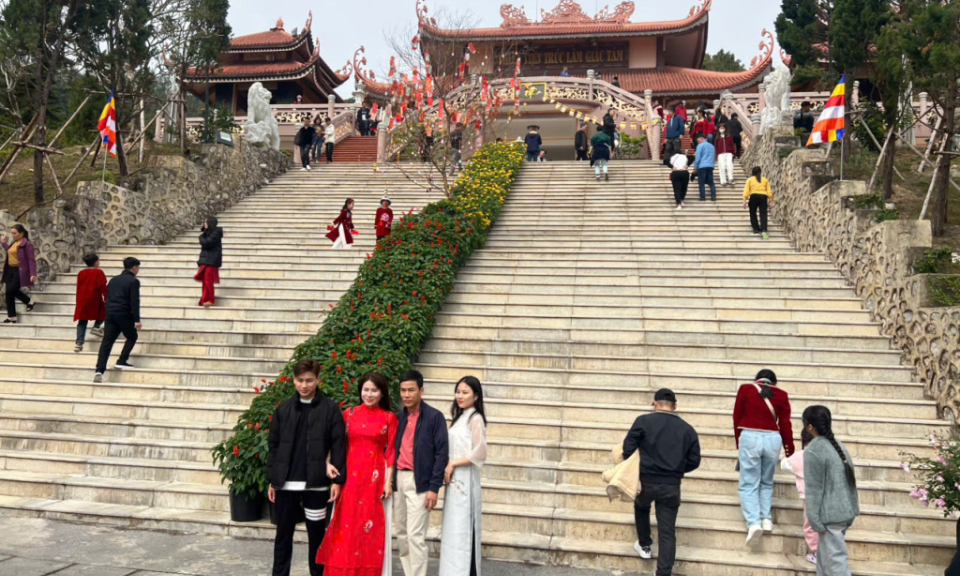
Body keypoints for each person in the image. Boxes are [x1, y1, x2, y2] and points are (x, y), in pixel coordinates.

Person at [268, 358, 347, 576]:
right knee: (283, 537)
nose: (304, 385)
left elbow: (338, 445)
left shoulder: (330, 410)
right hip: (286, 486)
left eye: (309, 381)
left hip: (317, 487)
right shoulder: (283, 410)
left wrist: (337, 481)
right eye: (300, 380)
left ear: (318, 380)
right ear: (293, 380)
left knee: (317, 539)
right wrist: (273, 479)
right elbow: (273, 447)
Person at [316, 373, 398, 576]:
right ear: (360, 390)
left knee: (370, 527)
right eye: (366, 389)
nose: (369, 394)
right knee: (347, 526)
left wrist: (388, 482)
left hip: (375, 480)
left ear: (382, 393)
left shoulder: (389, 418)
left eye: (374, 390)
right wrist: (328, 466)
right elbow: (336, 445)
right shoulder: (349, 414)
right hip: (349, 478)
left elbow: (391, 452)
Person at [623, 389, 701, 575]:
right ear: (675, 406)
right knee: (667, 532)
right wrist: (677, 470)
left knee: (641, 506)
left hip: (646, 480)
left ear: (654, 403)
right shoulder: (687, 429)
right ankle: (663, 573)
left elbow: (627, 448)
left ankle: (645, 545)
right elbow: (694, 460)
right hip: (671, 485)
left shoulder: (643, 421)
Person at [393, 370, 449, 576]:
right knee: (401, 534)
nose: (406, 395)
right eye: (403, 390)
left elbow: (442, 453)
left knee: (415, 535)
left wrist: (434, 488)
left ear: (421, 390)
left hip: (420, 482)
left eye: (411, 390)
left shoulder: (435, 417)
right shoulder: (398, 418)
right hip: (398, 480)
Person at [733, 369, 795, 544]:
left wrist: (740, 443)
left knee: (748, 484)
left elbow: (737, 417)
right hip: (773, 439)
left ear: (757, 379)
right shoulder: (781, 394)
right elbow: (785, 424)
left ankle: (753, 523)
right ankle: (766, 519)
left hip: (750, 437)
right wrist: (789, 450)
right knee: (767, 481)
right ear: (774, 382)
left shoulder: (746, 389)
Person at [438, 376, 487, 576]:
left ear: (476, 396)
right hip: (454, 480)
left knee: (463, 530)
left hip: (466, 480)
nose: (460, 396)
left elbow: (480, 452)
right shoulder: (460, 417)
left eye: (465, 392)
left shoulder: (476, 418)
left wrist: (453, 464)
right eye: (458, 391)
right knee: (452, 530)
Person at [802, 405, 859, 576]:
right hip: (845, 510)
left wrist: (814, 520)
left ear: (809, 427)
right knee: (825, 564)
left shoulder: (813, 450)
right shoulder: (839, 445)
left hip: (830, 516)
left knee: (835, 565)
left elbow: (813, 489)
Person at [94, 257, 141, 382]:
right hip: (124, 313)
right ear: (134, 268)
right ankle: (122, 360)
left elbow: (107, 296)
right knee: (132, 336)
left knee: (107, 342)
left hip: (110, 314)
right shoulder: (133, 281)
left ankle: (99, 370)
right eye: (138, 268)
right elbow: (134, 301)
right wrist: (137, 320)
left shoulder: (114, 280)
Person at [782, 429, 818, 565]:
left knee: (810, 524)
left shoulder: (802, 455)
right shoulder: (824, 454)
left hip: (809, 496)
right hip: (825, 495)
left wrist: (798, 471)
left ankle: (816, 552)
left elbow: (784, 464)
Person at [1, 224, 37, 324]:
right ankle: (12, 316)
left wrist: (33, 273)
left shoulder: (27, 244)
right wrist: (3, 243)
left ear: (21, 233)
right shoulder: (14, 243)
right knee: (9, 293)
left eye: (15, 233)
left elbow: (31, 260)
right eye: (12, 233)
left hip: (19, 270)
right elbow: (9, 251)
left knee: (11, 289)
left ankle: (28, 301)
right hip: (10, 270)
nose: (13, 235)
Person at [73, 253, 106, 352]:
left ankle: (79, 343)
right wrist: (107, 296)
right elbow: (102, 286)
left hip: (82, 299)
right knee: (103, 311)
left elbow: (79, 286)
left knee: (82, 321)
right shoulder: (99, 272)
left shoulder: (81, 273)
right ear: (96, 262)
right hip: (94, 298)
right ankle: (96, 327)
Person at [195, 217, 222, 307]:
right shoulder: (207, 234)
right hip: (206, 259)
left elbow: (207, 243)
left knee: (208, 279)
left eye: (206, 222)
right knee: (205, 280)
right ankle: (204, 299)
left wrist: (201, 237)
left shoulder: (215, 233)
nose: (204, 224)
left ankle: (209, 299)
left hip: (212, 260)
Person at [743, 167, 773, 240]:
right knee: (763, 213)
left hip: (754, 196)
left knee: (752, 213)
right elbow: (769, 191)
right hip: (763, 196)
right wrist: (771, 200)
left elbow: (746, 191)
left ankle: (756, 229)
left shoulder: (749, 180)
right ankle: (764, 229)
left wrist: (744, 200)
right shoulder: (764, 179)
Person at [692, 135, 717, 201]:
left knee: (701, 182)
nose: (697, 142)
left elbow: (697, 158)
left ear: (701, 139)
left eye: (698, 141)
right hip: (710, 166)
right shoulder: (712, 146)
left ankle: (702, 197)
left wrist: (695, 168)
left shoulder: (700, 146)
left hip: (702, 166)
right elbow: (714, 156)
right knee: (711, 182)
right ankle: (713, 196)